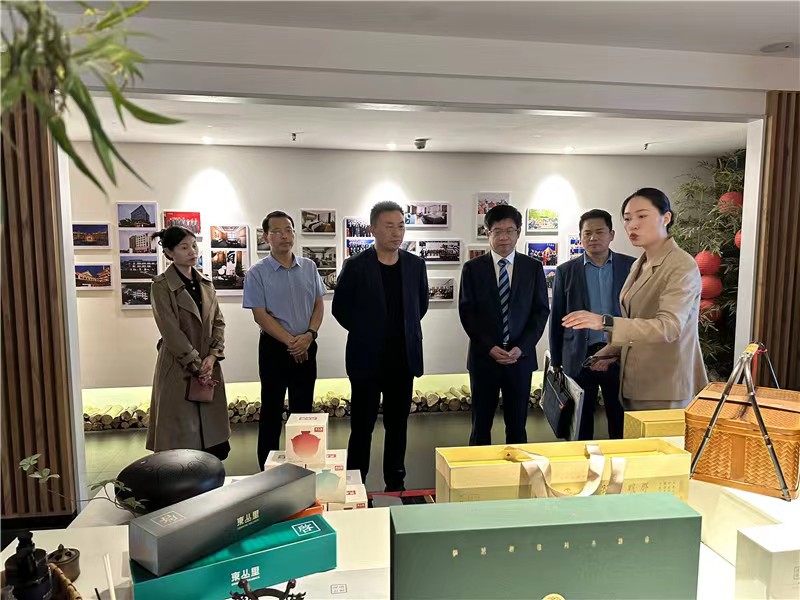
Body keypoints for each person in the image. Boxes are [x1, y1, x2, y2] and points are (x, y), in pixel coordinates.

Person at [563, 188, 708, 410]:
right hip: (636, 380)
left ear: (666, 218)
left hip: (664, 385)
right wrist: (612, 350)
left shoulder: (680, 264)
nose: (633, 225)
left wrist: (604, 322)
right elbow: (638, 320)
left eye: (642, 216)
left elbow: (669, 327)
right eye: (628, 218)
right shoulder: (639, 263)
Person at [332, 201, 429, 492]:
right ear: (373, 229)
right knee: (362, 427)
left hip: (403, 359)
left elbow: (420, 306)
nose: (396, 232)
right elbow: (340, 309)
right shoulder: (356, 266)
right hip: (367, 360)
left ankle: (395, 482)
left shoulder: (415, 265)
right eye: (389, 226)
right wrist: (367, 332)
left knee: (398, 426)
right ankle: (355, 482)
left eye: (400, 226)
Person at [459, 204, 550, 446]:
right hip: (484, 359)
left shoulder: (532, 268)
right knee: (480, 426)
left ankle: (517, 469)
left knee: (517, 426)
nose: (504, 237)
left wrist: (523, 347)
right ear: (487, 233)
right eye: (497, 231)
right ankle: (479, 468)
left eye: (510, 231)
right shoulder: (472, 269)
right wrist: (489, 347)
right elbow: (467, 313)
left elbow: (540, 312)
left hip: (520, 359)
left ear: (518, 233)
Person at [243, 211, 326, 469]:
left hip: (307, 344)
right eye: (277, 231)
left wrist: (309, 335)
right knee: (271, 410)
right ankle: (266, 472)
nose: (284, 236)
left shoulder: (309, 267)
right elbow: (260, 315)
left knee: (303, 411)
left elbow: (318, 304)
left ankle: (303, 466)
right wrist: (292, 342)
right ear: (266, 237)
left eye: (288, 230)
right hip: (275, 348)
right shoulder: (257, 272)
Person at [549, 209, 636, 439]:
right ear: (580, 237)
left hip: (618, 355)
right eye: (587, 233)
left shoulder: (631, 267)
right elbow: (557, 318)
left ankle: (618, 460)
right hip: (579, 356)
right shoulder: (566, 271)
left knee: (620, 419)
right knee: (579, 423)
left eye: (599, 232)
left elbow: (638, 315)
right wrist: (556, 361)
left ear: (611, 234)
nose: (593, 238)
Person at [147, 227, 231, 460]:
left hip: (208, 365)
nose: (192, 251)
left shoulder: (205, 283)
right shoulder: (161, 286)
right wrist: (196, 363)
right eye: (184, 247)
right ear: (169, 253)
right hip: (178, 366)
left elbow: (219, 321)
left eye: (193, 245)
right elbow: (170, 330)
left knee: (214, 442)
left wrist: (213, 355)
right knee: (181, 446)